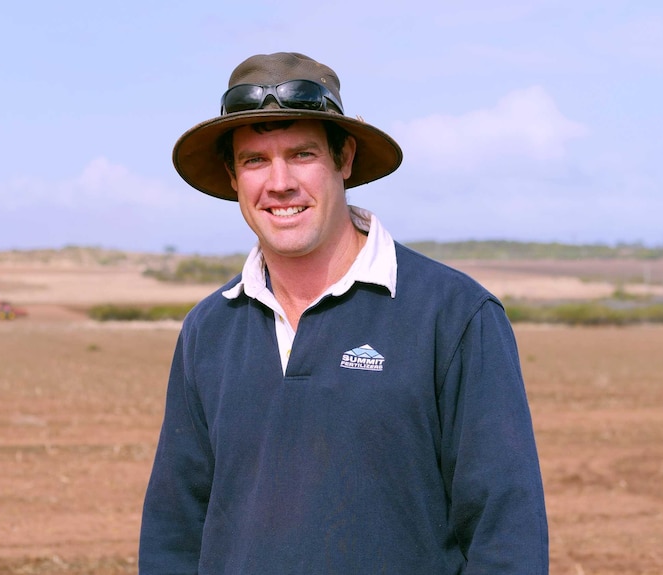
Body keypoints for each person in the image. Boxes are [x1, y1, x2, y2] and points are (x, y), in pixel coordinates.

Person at [139, 52, 548, 574]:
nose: (280, 182)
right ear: (233, 175)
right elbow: (173, 532)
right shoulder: (209, 328)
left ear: (345, 158)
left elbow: (506, 535)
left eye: (302, 154)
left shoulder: (454, 315)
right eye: (255, 160)